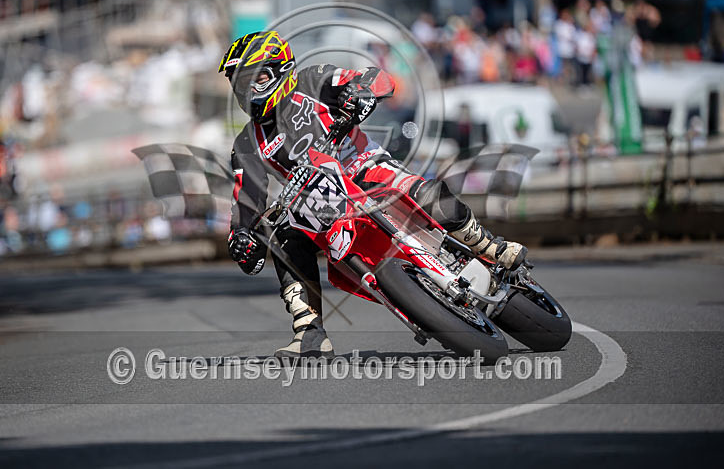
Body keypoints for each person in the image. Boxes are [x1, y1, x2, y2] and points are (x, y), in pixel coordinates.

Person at [220, 31, 528, 359]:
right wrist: (241, 235)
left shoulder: (314, 80)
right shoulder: (246, 144)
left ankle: (490, 247)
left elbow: (377, 78)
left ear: (281, 68)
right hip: (319, 202)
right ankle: (308, 331)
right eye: (240, 82)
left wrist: (361, 92)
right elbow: (247, 197)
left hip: (367, 168)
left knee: (426, 193)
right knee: (283, 236)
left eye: (257, 78)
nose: (248, 89)